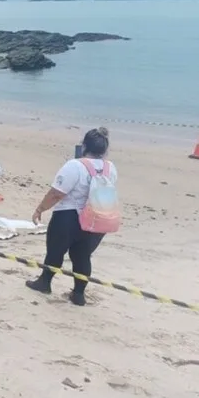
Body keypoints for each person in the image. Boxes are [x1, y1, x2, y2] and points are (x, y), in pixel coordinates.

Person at [26, 127, 117, 307]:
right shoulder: (110, 168)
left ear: (84, 146)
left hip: (68, 216)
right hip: (95, 218)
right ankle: (78, 294)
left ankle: (45, 282)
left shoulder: (75, 165)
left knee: (55, 251)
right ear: (104, 149)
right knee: (82, 256)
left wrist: (40, 209)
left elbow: (57, 193)